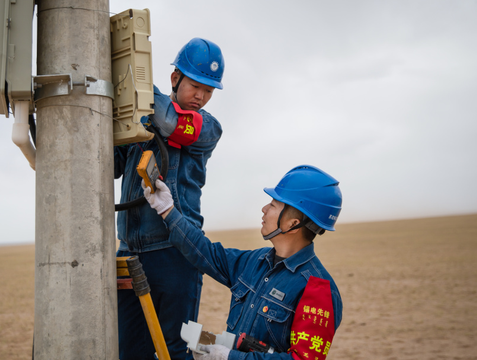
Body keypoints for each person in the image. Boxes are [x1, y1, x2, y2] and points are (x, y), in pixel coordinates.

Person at [143, 165, 344, 360]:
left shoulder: (318, 289)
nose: (264, 209)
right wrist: (167, 210)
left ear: (294, 223)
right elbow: (206, 252)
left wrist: (230, 357)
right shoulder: (253, 262)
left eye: (274, 204)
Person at [114, 38, 225, 360]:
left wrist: (129, 77)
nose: (201, 96)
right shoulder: (138, 120)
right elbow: (113, 165)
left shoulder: (208, 129)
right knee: (130, 351)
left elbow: (168, 121)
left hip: (175, 251)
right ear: (175, 78)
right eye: (195, 86)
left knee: (176, 350)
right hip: (130, 251)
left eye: (209, 90)